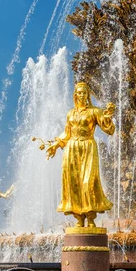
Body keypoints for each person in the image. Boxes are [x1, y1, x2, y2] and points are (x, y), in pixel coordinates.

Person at [46, 82, 115, 228]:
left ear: (87, 95)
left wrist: (108, 117)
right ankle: (78, 218)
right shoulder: (70, 113)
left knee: (88, 182)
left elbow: (109, 130)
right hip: (71, 149)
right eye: (79, 92)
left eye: (84, 92)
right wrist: (55, 145)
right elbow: (66, 133)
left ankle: (90, 217)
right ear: (75, 95)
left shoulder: (94, 111)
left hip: (88, 147)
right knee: (74, 184)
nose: (82, 95)